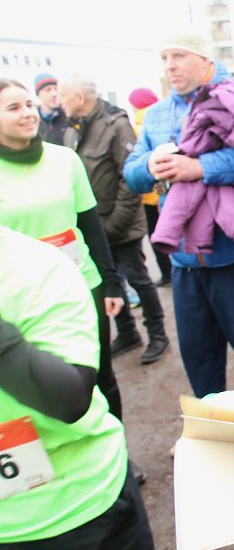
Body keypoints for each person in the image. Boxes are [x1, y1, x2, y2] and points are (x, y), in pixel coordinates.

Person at [124, 30, 234, 399]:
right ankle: (212, 438)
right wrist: (150, 163)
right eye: (164, 58)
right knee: (199, 360)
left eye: (178, 55)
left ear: (205, 59)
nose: (169, 65)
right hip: (184, 260)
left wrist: (201, 168)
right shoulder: (158, 113)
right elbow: (130, 173)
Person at [0, 225, 154, 549]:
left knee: (107, 379)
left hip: (80, 510)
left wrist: (111, 282)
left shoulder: (32, 266)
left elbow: (69, 399)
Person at [0, 78, 125, 422]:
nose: (28, 113)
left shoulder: (65, 159)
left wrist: (110, 283)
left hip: (81, 286)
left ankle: (119, 454)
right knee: (42, 391)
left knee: (102, 378)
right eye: (13, 108)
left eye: (28, 105)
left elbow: (91, 228)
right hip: (22, 301)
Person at [58, 74, 170, 365]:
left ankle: (157, 334)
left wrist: (114, 224)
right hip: (92, 227)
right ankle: (127, 331)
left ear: (80, 98)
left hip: (120, 223)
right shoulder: (72, 130)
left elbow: (129, 180)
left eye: (63, 95)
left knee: (138, 278)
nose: (59, 102)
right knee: (111, 281)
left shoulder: (116, 125)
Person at [128, 87, 173, 286]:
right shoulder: (168, 117)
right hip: (168, 191)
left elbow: (132, 165)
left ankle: (167, 273)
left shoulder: (139, 125)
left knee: (158, 237)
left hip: (150, 196)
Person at [33, 72, 68, 145]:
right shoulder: (32, 121)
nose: (54, 94)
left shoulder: (69, 117)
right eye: (48, 90)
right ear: (38, 94)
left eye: (56, 89)